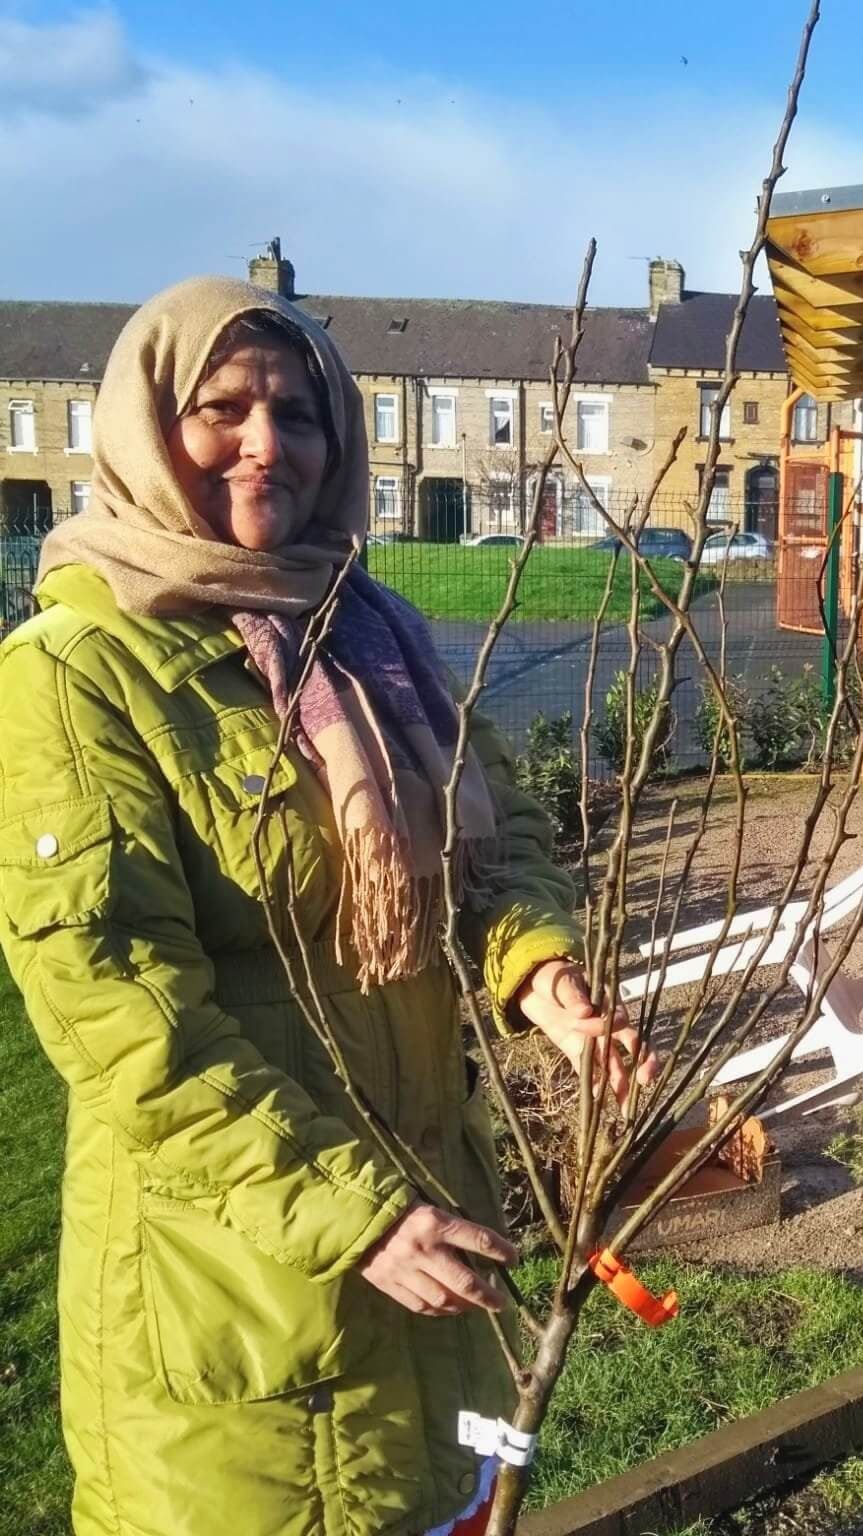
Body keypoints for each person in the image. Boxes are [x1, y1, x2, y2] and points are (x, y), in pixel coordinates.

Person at [0, 277, 654, 1536]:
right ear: (146, 426)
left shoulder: (371, 636)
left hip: (428, 1223)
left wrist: (538, 973)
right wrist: (348, 1209)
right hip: (241, 1279)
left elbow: (494, 824)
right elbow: (121, 1010)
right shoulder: (81, 672)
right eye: (223, 409)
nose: (267, 444)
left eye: (298, 413)